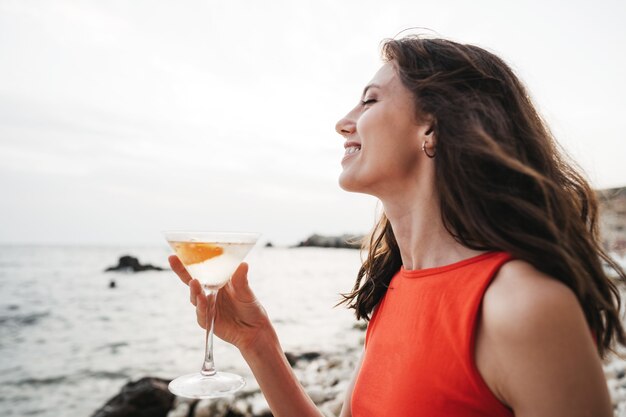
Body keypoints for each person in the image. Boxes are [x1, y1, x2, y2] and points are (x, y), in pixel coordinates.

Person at [169, 35, 626, 416]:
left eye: (369, 101)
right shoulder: (395, 288)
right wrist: (258, 341)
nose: (343, 123)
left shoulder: (523, 305)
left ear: (432, 126)